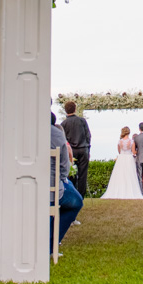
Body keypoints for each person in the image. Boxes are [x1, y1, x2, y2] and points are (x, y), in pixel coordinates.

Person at [51, 113, 83, 249]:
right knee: (76, 202)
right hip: (51, 188)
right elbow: (64, 166)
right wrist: (63, 180)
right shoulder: (57, 135)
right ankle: (52, 241)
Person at [101, 126, 143, 199]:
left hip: (121, 158)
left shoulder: (120, 141)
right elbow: (133, 152)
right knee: (129, 175)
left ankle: (118, 191)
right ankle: (130, 191)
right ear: (129, 132)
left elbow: (119, 151)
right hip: (129, 158)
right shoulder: (131, 141)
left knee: (120, 175)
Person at [60, 101, 92, 196]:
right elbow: (88, 136)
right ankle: (81, 195)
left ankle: (73, 194)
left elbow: (63, 140)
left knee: (71, 174)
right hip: (83, 149)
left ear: (65, 110)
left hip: (71, 151)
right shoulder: (82, 121)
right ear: (75, 109)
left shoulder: (63, 124)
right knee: (83, 174)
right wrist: (88, 149)